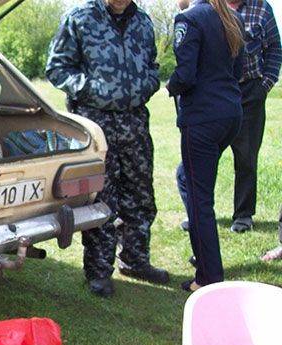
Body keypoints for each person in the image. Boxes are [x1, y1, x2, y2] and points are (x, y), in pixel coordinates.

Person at [46, 0, 169, 297]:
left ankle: (136, 260)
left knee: (140, 195)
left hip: (136, 124)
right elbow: (57, 69)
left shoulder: (142, 21)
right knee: (101, 199)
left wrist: (146, 84)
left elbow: (152, 66)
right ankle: (99, 271)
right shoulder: (80, 18)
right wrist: (96, 90)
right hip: (97, 126)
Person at [166, 0, 245, 291]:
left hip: (202, 119)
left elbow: (186, 76)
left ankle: (208, 278)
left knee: (201, 203)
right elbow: (236, 70)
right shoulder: (233, 19)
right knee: (185, 177)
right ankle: (204, 252)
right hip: (230, 114)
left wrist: (169, 87)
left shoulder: (189, 19)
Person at [226, 0, 281, 233]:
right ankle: (198, 212)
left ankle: (243, 215)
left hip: (250, 92)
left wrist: (264, 86)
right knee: (202, 158)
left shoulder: (262, 8)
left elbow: (275, 49)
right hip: (217, 91)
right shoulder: (208, 6)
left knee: (247, 157)